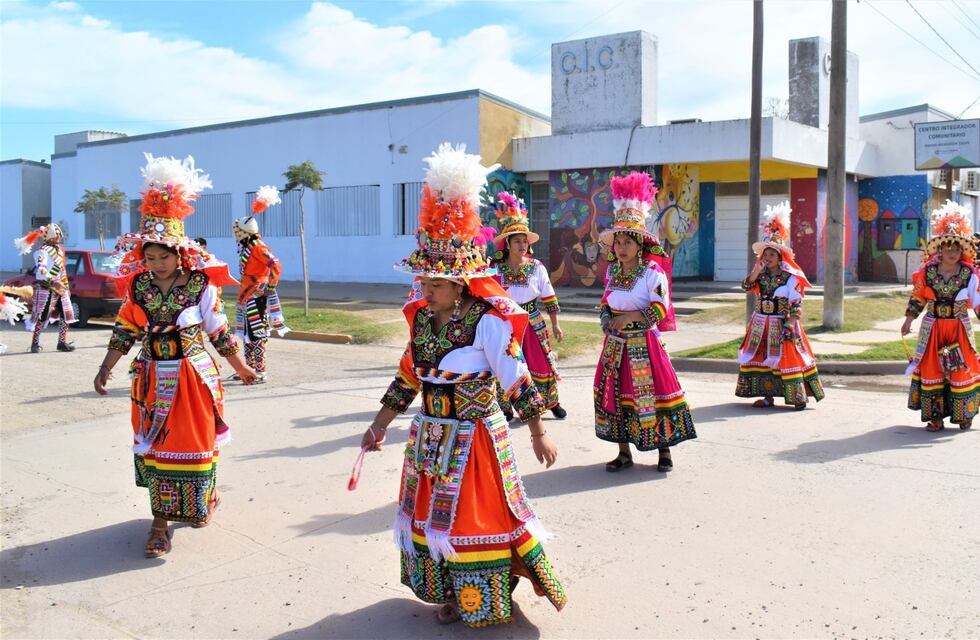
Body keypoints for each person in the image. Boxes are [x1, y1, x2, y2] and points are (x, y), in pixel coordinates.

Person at [360, 143, 566, 628]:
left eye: (433, 283)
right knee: (438, 516)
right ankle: (454, 591)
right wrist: (378, 426)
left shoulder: (488, 321)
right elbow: (408, 377)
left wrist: (538, 431)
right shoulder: (423, 322)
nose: (424, 290)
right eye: (423, 282)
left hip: (475, 438)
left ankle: (489, 593)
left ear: (460, 283)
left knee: (480, 517)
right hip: (431, 436)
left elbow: (516, 378)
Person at [93, 153, 256, 558]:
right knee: (157, 447)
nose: (156, 263)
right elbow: (126, 328)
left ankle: (202, 499)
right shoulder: (140, 288)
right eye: (149, 257)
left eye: (163, 256)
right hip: (150, 378)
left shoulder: (201, 286)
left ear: (179, 253)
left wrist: (241, 367)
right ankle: (160, 524)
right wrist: (105, 367)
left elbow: (218, 331)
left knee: (196, 442)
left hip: (192, 376)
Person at [594, 171, 696, 473]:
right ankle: (624, 452)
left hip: (644, 346)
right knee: (615, 396)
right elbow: (605, 302)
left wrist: (628, 318)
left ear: (640, 244)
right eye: (618, 242)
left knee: (651, 396)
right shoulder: (613, 274)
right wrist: (606, 320)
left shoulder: (653, 273)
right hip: (615, 346)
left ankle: (663, 451)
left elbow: (659, 310)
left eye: (627, 241)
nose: (621, 247)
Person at [736, 201, 824, 409]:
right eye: (765, 255)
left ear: (780, 257)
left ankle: (798, 396)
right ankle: (768, 397)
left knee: (787, 358)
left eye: (771, 255)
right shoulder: (761, 275)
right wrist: (756, 272)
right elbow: (746, 286)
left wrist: (790, 324)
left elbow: (796, 304)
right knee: (763, 359)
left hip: (782, 322)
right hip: (760, 323)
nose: (767, 258)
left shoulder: (790, 278)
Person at [902, 199, 980, 432]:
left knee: (961, 368)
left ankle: (963, 415)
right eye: (948, 248)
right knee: (932, 369)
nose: (952, 252)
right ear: (940, 249)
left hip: (958, 328)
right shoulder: (928, 272)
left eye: (957, 249)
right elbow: (918, 298)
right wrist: (908, 320)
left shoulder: (969, 274)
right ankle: (935, 418)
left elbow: (977, 302)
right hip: (933, 327)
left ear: (961, 251)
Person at [490, 191, 566, 421]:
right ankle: (506, 406)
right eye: (517, 241)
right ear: (507, 244)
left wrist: (556, 325)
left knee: (541, 361)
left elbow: (549, 298)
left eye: (525, 241)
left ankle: (551, 402)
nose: (522, 245)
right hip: (506, 324)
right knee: (507, 363)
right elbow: (489, 298)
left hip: (532, 320)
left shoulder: (537, 267)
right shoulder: (496, 268)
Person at [232, 186, 289, 382]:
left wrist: (269, 287)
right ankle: (248, 368)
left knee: (257, 332)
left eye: (238, 230)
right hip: (247, 293)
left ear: (245, 232)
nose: (235, 233)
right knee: (248, 332)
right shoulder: (247, 247)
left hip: (257, 294)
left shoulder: (258, 247)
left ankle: (261, 369)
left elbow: (275, 265)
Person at [14, 223, 76, 353]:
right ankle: (35, 343)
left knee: (66, 314)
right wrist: (53, 282)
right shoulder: (41, 252)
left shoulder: (60, 250)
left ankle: (62, 342)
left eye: (59, 234)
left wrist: (66, 287)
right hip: (47, 287)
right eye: (57, 235)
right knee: (42, 316)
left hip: (61, 287)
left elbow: (62, 270)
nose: (59, 237)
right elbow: (41, 271)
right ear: (50, 237)